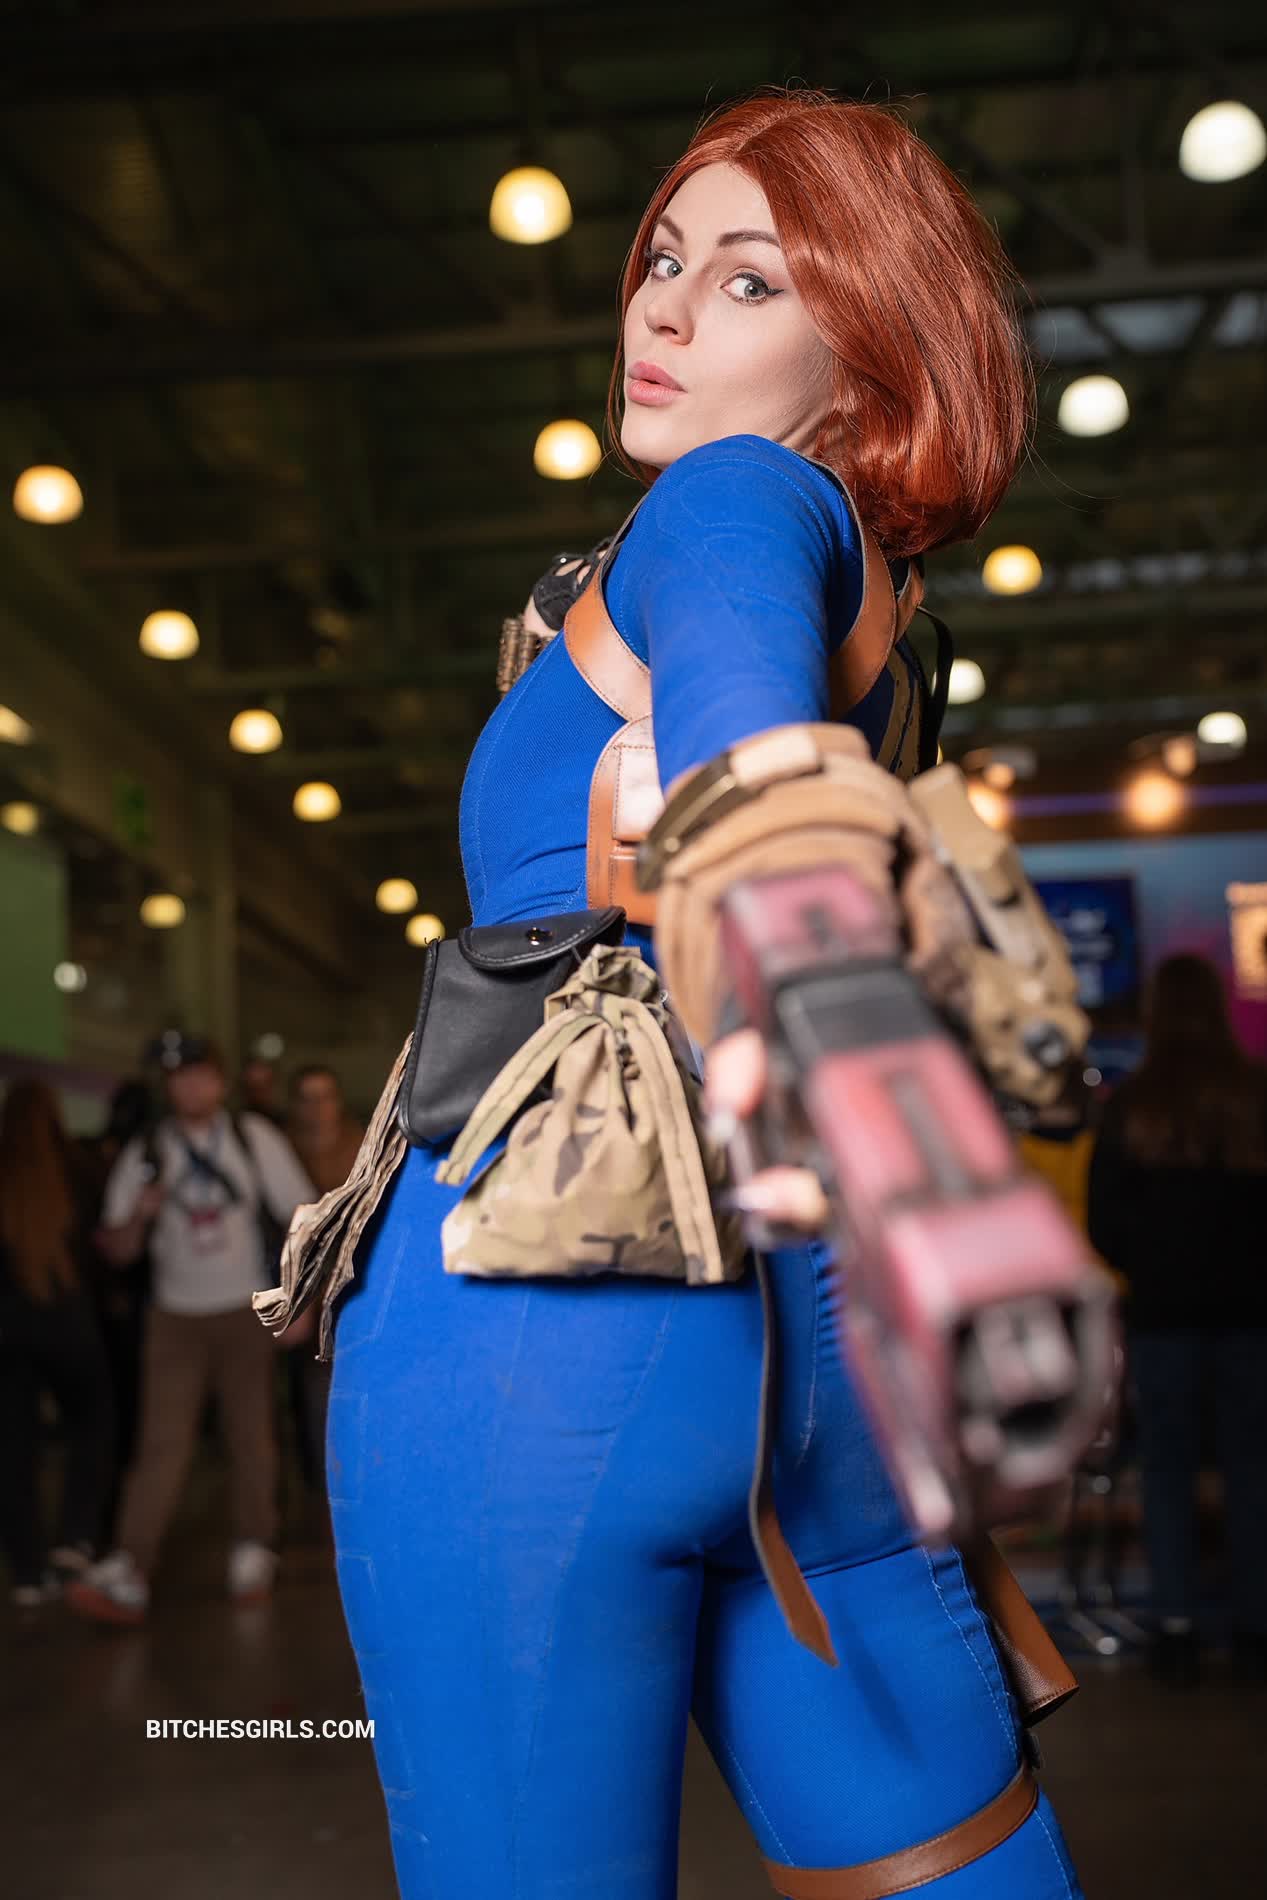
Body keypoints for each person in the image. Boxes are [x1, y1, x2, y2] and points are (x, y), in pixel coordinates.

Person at [305, 91, 1084, 1896]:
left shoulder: (732, 497)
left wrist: (915, 1149)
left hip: (533, 1348)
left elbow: (749, 769)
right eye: (663, 257)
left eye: (746, 280)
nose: (657, 305)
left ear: (864, 353)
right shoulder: (875, 604)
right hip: (825, 1374)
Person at [66, 1036, 315, 1625]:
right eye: (178, 1078)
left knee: (252, 1435)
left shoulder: (254, 1138)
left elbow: (305, 1218)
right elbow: (117, 1249)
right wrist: (139, 1215)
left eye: (200, 1075)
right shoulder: (147, 1150)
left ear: (219, 1081)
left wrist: (299, 1300)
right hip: (174, 1318)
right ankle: (131, 1567)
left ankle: (254, 1547)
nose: (190, 1087)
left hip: (245, 1309)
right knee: (161, 1445)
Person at [1088, 954, 1267, 1686]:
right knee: (1253, 1470)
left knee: (1165, 1473)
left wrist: (1153, 1264)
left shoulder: (1133, 1103)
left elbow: (1103, 1222)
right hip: (1253, 1315)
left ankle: (1174, 1624)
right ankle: (1255, 1625)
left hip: (1162, 1316)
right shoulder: (1254, 1094)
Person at [0, 1079, 115, 1608]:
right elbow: (103, 1246)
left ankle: (28, 1570)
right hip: (69, 1322)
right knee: (93, 1425)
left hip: (8, 1331)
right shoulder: (78, 1168)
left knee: (13, 1450)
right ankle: (76, 1538)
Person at [285, 1066, 364, 1495]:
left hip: (351, 1283)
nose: (317, 1108)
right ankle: (317, 1479)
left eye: (325, 1096)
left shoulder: (363, 1145)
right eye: (307, 1098)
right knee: (307, 1388)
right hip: (297, 1286)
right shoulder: (282, 1149)